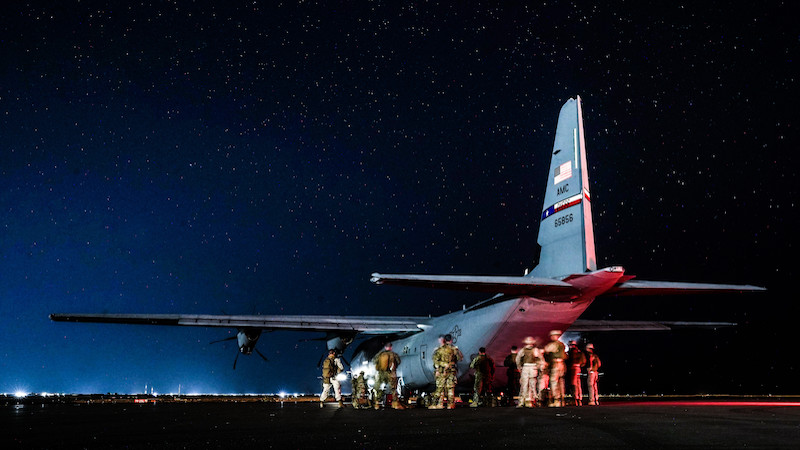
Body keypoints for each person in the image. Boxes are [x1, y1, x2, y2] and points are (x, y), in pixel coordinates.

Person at [429, 333, 463, 409]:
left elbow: (435, 361)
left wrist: (441, 366)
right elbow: (460, 358)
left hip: (442, 371)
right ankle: (450, 405)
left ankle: (436, 404)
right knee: (450, 388)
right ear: (451, 340)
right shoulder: (454, 349)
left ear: (444, 340)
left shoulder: (439, 350)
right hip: (452, 371)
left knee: (439, 388)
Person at [372, 342, 403, 409]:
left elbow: (374, 361)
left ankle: (377, 403)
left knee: (379, 388)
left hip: (381, 373)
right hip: (391, 373)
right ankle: (395, 403)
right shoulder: (394, 354)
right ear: (391, 347)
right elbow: (399, 361)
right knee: (393, 389)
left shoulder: (380, 354)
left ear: (385, 347)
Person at [515, 336, 542, 407]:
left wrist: (520, 367)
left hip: (526, 367)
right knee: (532, 384)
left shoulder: (523, 350)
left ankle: (523, 401)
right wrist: (538, 367)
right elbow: (540, 359)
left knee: (525, 385)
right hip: (533, 367)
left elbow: (518, 359)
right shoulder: (535, 350)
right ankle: (530, 400)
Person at [543, 330, 567, 407]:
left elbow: (546, 350)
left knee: (554, 382)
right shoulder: (562, 344)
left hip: (556, 364)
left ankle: (557, 400)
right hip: (562, 364)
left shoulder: (554, 344)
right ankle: (562, 400)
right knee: (561, 382)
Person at [566, 340, 586, 406]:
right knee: (578, 384)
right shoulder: (580, 352)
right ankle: (579, 398)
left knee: (573, 384)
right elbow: (584, 361)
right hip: (578, 368)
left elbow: (568, 360)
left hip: (573, 369)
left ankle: (575, 398)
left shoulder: (571, 352)